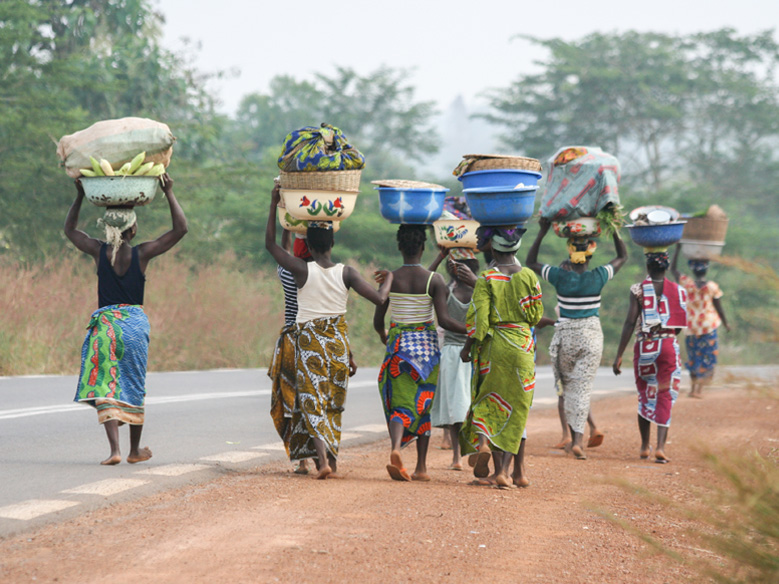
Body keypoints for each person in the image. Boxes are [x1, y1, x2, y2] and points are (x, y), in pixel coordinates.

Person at [266, 184, 392, 479]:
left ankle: (322, 462)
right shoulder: (346, 272)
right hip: (336, 343)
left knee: (310, 399)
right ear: (332, 243)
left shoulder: (300, 270)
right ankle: (330, 461)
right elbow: (380, 299)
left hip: (308, 343)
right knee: (332, 400)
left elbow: (272, 247)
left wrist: (274, 204)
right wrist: (390, 278)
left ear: (307, 247)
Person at [65, 174, 187, 465]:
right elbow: (181, 229)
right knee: (133, 382)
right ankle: (134, 450)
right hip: (133, 327)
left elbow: (70, 230)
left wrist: (80, 195)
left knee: (105, 384)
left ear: (108, 230)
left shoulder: (98, 251)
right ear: (133, 229)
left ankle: (115, 451)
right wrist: (169, 192)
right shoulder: (142, 253)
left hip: (106, 326)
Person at [526, 218, 628, 460]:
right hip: (591, 335)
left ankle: (575, 439)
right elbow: (622, 257)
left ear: (569, 251)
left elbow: (530, 262)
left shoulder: (560, 277)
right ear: (590, 253)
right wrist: (614, 230)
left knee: (568, 388)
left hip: (567, 335)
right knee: (581, 388)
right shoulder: (599, 276)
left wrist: (541, 232)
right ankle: (578, 441)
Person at [373, 226, 467, 482]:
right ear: (422, 247)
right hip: (425, 351)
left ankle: (395, 448)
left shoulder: (390, 277)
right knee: (422, 403)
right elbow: (445, 321)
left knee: (400, 402)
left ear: (399, 247)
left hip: (399, 347)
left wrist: (384, 335)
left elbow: (378, 318)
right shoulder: (434, 280)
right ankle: (421, 467)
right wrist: (471, 329)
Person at [458, 226, 544, 488]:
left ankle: (483, 442)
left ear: (492, 249)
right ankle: (504, 473)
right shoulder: (529, 276)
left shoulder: (486, 278)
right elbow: (535, 316)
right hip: (522, 347)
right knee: (516, 409)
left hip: (494, 347)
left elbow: (479, 320)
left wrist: (467, 347)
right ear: (516, 249)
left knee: (489, 401)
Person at [612, 249, 688, 464]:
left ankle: (645, 446)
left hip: (645, 346)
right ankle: (661, 447)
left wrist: (619, 355)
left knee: (645, 393)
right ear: (665, 267)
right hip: (668, 345)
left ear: (648, 267)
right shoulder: (678, 291)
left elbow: (629, 322)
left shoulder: (638, 290)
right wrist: (667, 336)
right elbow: (679, 326)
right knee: (665, 393)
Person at [426, 246, 479, 471]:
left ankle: (457, 457)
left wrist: (440, 256)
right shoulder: (481, 290)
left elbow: (426, 280)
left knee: (456, 408)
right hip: (476, 353)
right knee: (473, 403)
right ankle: (477, 448)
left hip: (452, 353)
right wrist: (474, 332)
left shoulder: (446, 290)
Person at [268, 230, 312, 475]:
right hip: (314, 340)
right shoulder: (320, 276)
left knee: (292, 401)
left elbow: (281, 249)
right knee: (313, 398)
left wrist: (286, 223)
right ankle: (319, 455)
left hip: (290, 342)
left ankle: (301, 459)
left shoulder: (286, 272)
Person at [670, 246, 730, 398]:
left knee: (693, 357)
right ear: (706, 271)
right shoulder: (712, 287)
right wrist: (726, 323)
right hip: (708, 327)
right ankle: (699, 390)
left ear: (693, 270)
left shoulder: (687, 284)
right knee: (708, 357)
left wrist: (678, 250)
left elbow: (674, 269)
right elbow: (719, 308)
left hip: (691, 327)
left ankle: (692, 388)